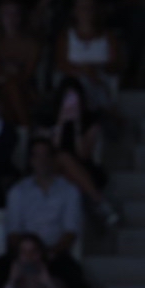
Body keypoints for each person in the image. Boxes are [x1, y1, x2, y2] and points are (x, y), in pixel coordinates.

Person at [1, 138, 96, 288]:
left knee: (73, 276)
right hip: (24, 254)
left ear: (53, 159)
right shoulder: (17, 191)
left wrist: (50, 252)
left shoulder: (69, 190)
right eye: (37, 156)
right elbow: (13, 231)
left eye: (46, 156)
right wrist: (26, 254)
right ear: (31, 160)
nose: (42, 161)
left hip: (54, 253)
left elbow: (70, 231)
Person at [40, 80, 121, 228]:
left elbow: (83, 154)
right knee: (62, 157)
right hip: (53, 167)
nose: (70, 103)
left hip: (80, 167)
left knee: (67, 164)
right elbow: (49, 150)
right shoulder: (49, 119)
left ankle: (92, 205)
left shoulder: (90, 121)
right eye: (67, 98)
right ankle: (99, 202)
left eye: (74, 98)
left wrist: (76, 126)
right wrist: (60, 123)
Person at [53, 0, 124, 116]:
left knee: (94, 87)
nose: (86, 12)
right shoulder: (65, 36)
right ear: (75, 11)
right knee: (76, 87)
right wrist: (83, 71)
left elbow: (115, 64)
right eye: (82, 7)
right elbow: (61, 63)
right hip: (75, 81)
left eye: (90, 8)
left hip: (100, 80)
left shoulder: (108, 37)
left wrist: (96, 70)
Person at [0, 1, 42, 129]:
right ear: (0, 17)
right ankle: (25, 128)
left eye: (15, 14)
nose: (11, 18)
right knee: (8, 90)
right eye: (7, 14)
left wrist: (9, 75)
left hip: (25, 88)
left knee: (12, 89)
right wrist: (12, 73)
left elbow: (27, 75)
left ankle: (18, 131)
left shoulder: (31, 44)